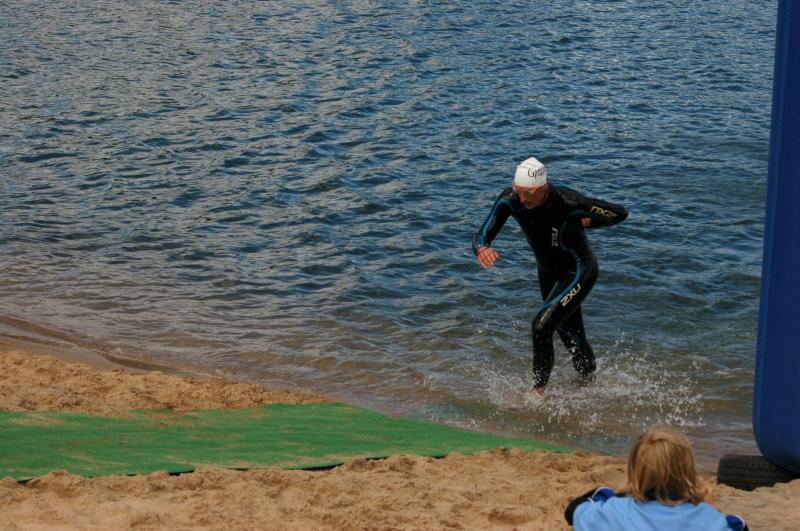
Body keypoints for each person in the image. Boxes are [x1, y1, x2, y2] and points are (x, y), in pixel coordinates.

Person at [472, 157, 627, 394]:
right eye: (518, 191)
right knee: (571, 337)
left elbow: (619, 213)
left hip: (578, 270)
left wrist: (587, 222)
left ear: (543, 187)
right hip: (548, 274)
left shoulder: (568, 201)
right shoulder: (510, 199)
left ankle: (537, 394)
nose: (522, 200)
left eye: (529, 194)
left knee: (541, 328)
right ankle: (590, 386)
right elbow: (482, 235)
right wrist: (482, 249)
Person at [564, 425, 749, 530]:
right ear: (687, 472)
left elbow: (573, 511)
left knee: (603, 494)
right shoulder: (707, 520)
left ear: (635, 471)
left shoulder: (612, 512)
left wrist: (609, 494)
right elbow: (739, 527)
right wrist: (711, 508)